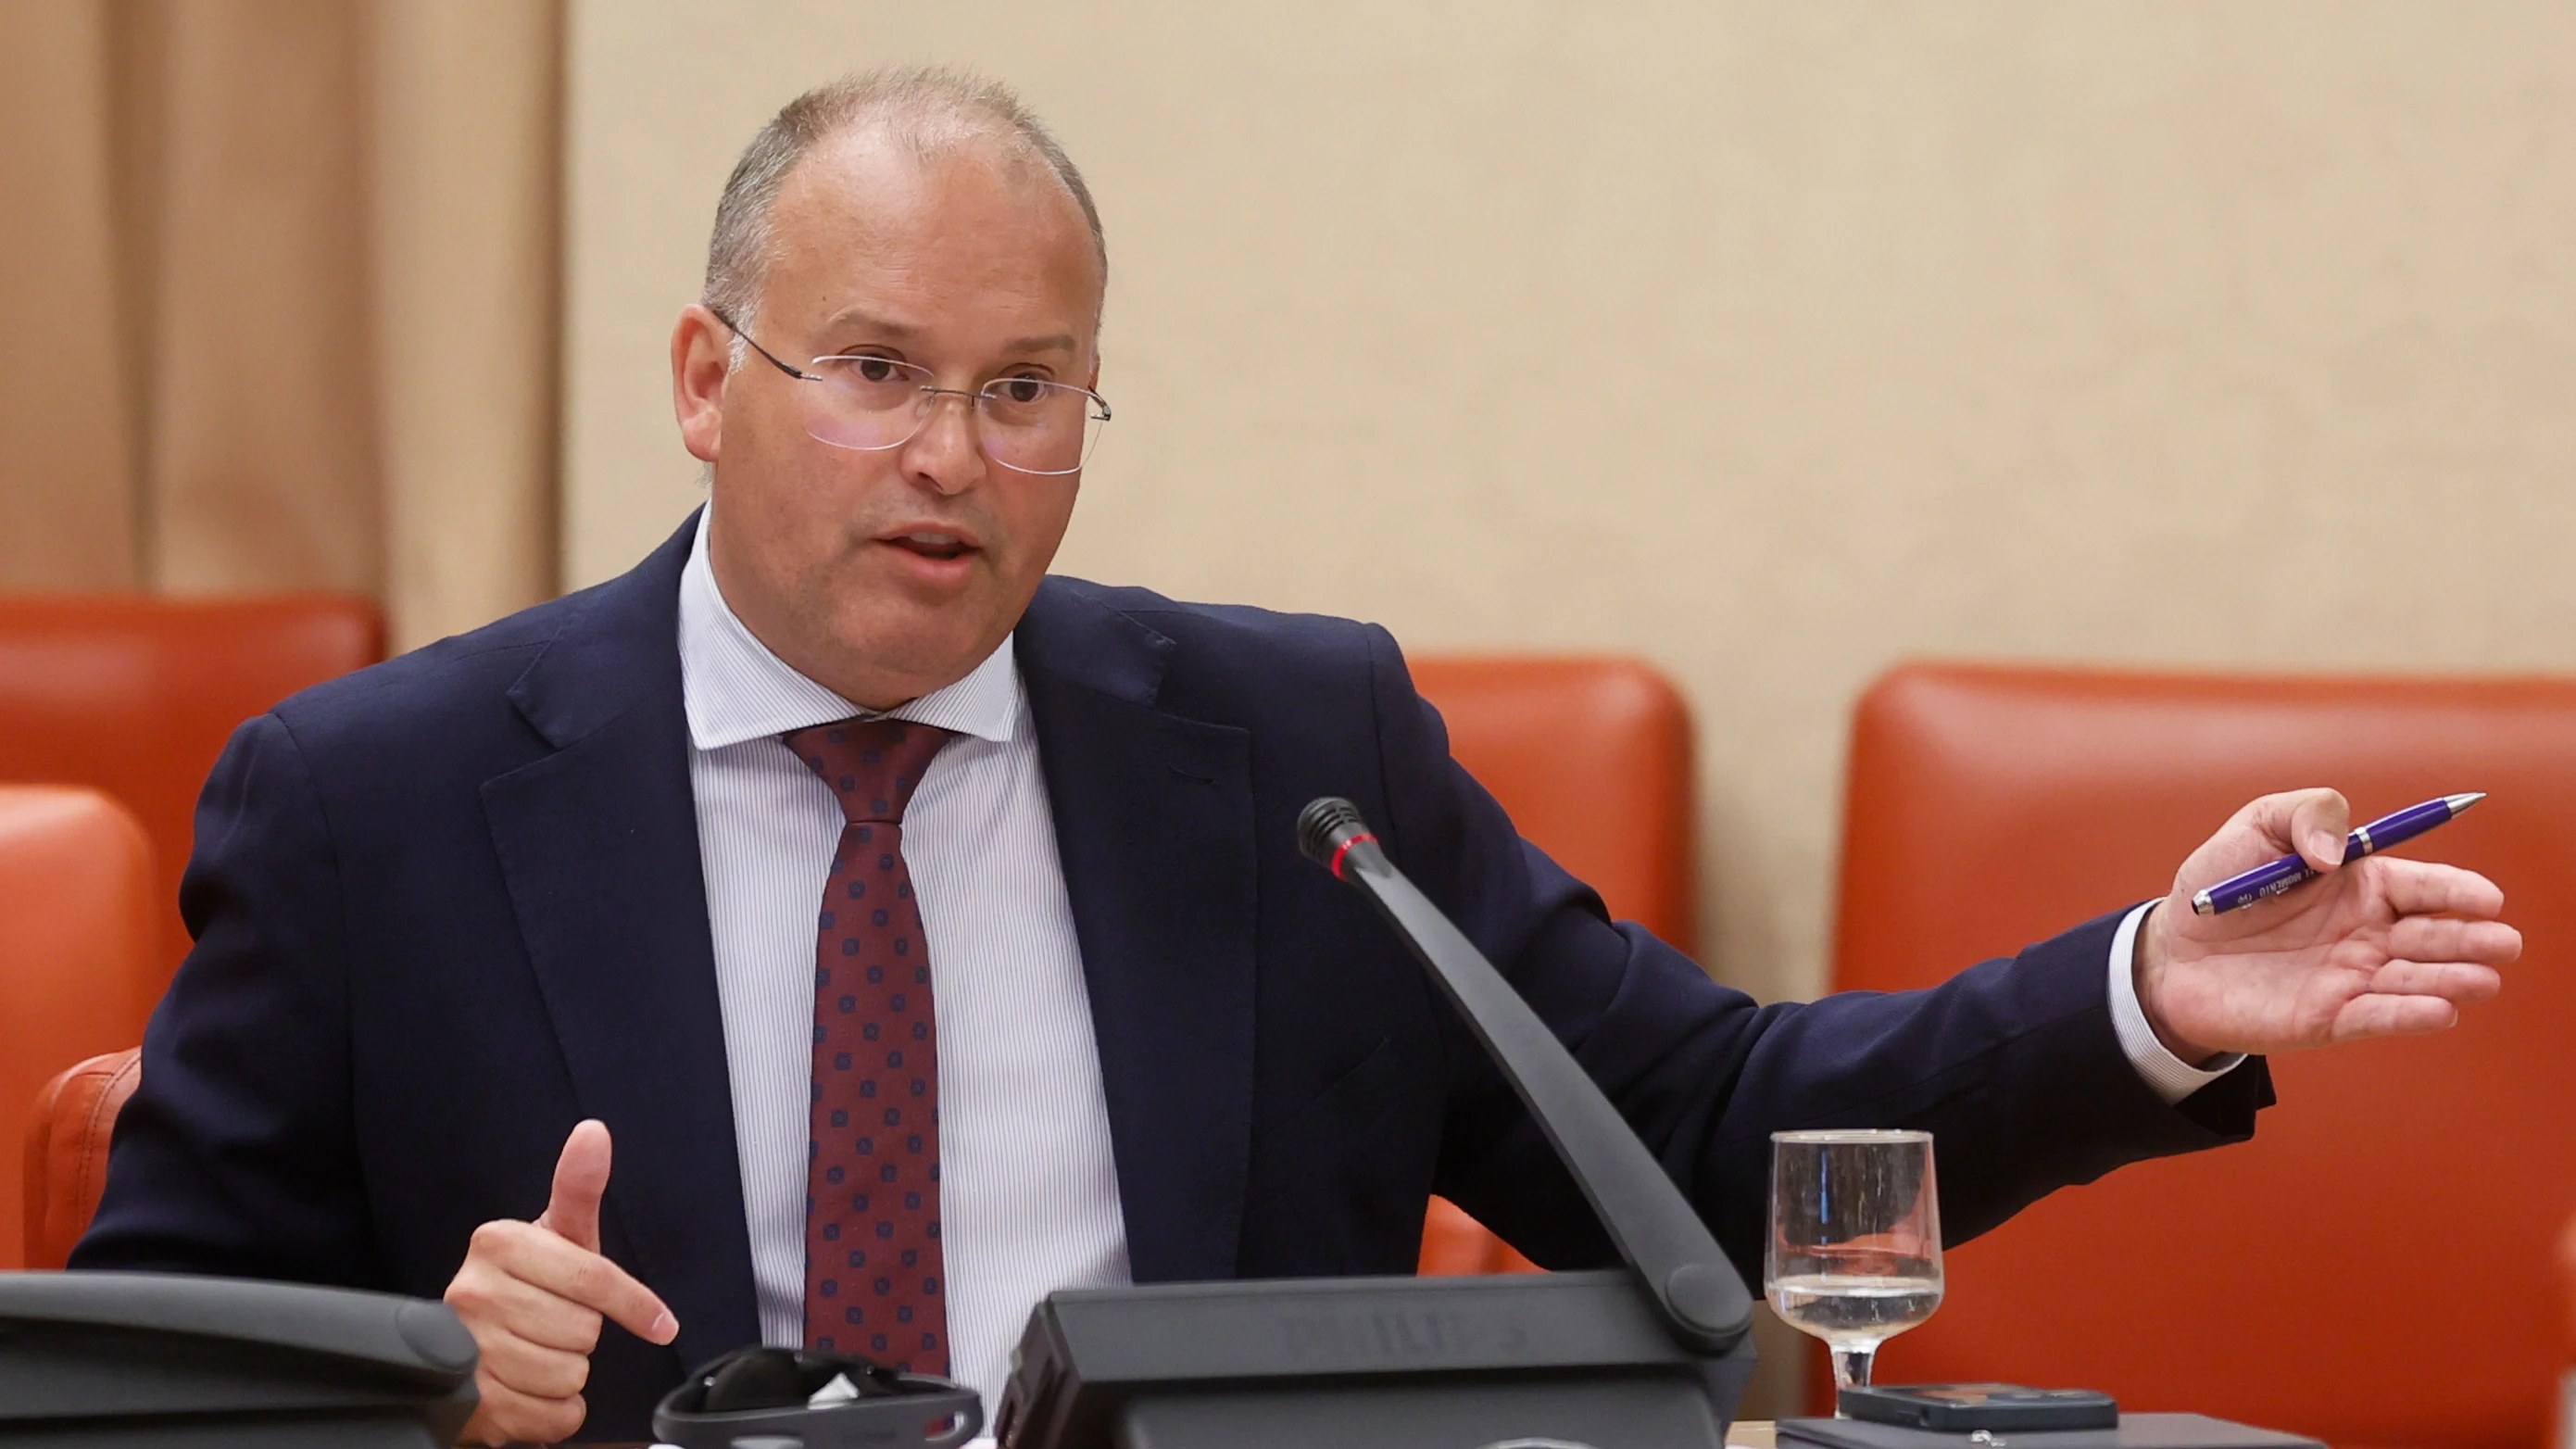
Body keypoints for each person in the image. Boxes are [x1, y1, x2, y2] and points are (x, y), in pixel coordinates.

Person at [73, 69, 2520, 1444]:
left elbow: (1702, 1135)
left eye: (1025, 391)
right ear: (707, 383)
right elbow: (137, 1405)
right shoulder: (371, 799)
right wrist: (428, 1382)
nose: (952, 453)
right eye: (875, 368)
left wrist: (2152, 993)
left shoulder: (1280, 752)